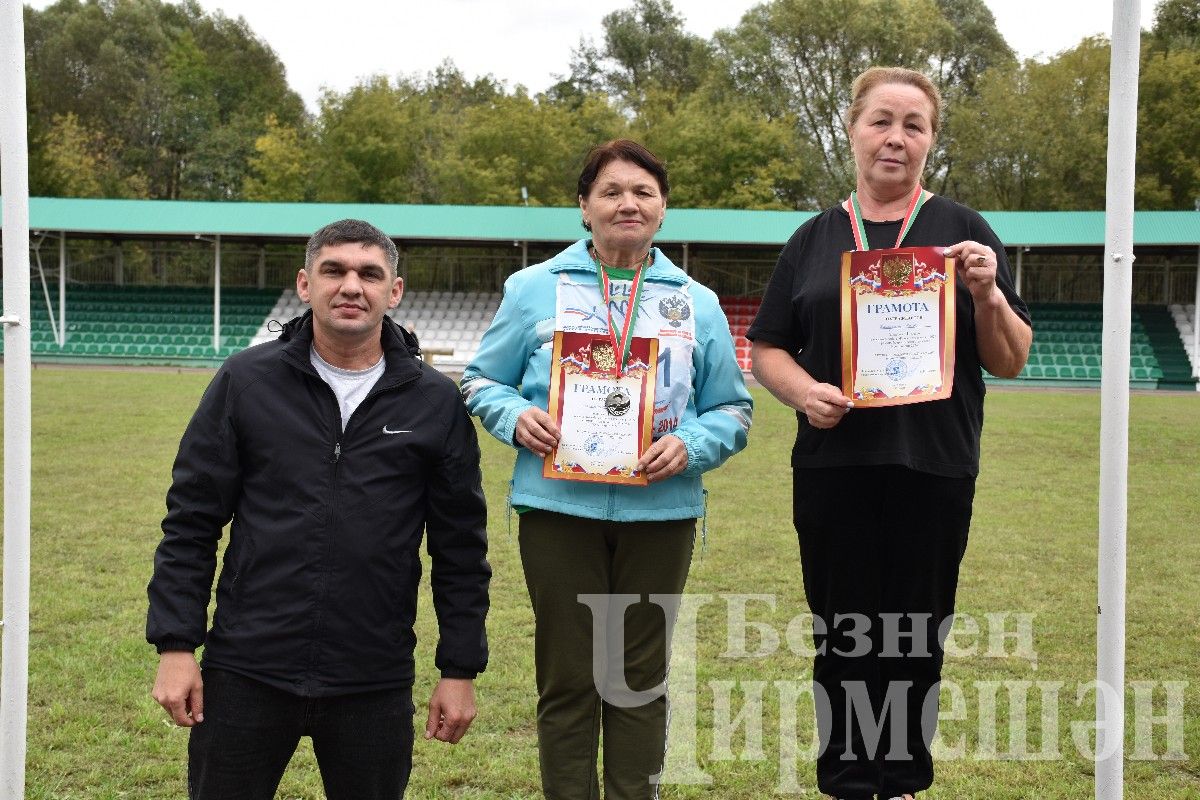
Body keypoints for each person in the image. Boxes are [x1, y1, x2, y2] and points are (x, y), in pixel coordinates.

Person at [748, 68, 1032, 800]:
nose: (896, 138)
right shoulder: (813, 237)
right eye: (882, 121)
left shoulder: (964, 231)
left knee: (915, 635)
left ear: (931, 141)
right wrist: (804, 391)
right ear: (853, 129)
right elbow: (768, 346)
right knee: (842, 635)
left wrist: (987, 293)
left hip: (934, 464)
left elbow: (1011, 356)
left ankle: (901, 782)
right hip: (833, 466)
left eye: (914, 125)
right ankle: (847, 782)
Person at [146, 218, 490, 800]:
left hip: (373, 676)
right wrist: (176, 647)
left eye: (369, 274)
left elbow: (460, 549)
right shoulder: (245, 382)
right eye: (334, 271)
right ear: (305, 285)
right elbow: (191, 521)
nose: (351, 286)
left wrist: (459, 670)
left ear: (394, 292)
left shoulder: (434, 402)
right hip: (247, 668)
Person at [461, 139, 752, 799]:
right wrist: (514, 418)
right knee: (568, 680)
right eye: (613, 191)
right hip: (558, 511)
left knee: (638, 682)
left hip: (662, 512)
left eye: (643, 192)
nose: (629, 203)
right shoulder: (533, 289)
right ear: (584, 207)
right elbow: (481, 383)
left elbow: (733, 409)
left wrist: (692, 446)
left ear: (663, 209)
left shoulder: (696, 303)